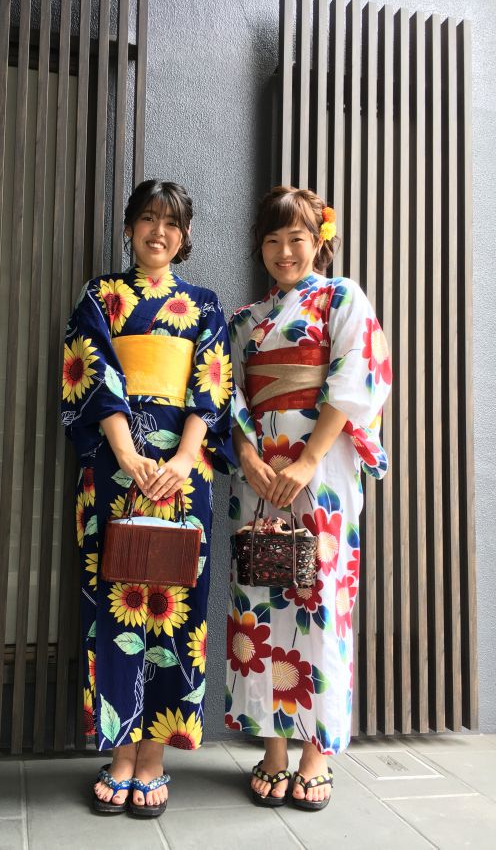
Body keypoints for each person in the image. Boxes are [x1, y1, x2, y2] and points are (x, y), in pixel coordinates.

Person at [61, 179, 234, 818]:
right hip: (115, 468)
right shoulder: (101, 296)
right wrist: (128, 455)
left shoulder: (204, 305)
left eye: (171, 223)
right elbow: (91, 373)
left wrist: (184, 459)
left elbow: (211, 386)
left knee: (175, 609)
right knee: (114, 602)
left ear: (184, 237)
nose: (158, 232)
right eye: (148, 219)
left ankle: (154, 755)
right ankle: (120, 753)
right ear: (131, 227)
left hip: (184, 476)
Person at [225, 185, 391, 811]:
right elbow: (228, 395)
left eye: (296, 238)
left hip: (321, 471)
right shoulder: (247, 320)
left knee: (321, 599)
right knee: (260, 598)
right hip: (259, 478)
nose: (284, 251)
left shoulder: (341, 297)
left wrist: (310, 458)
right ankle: (273, 748)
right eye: (272, 240)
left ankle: (316, 753)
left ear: (319, 239)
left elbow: (357, 376)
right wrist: (248, 458)